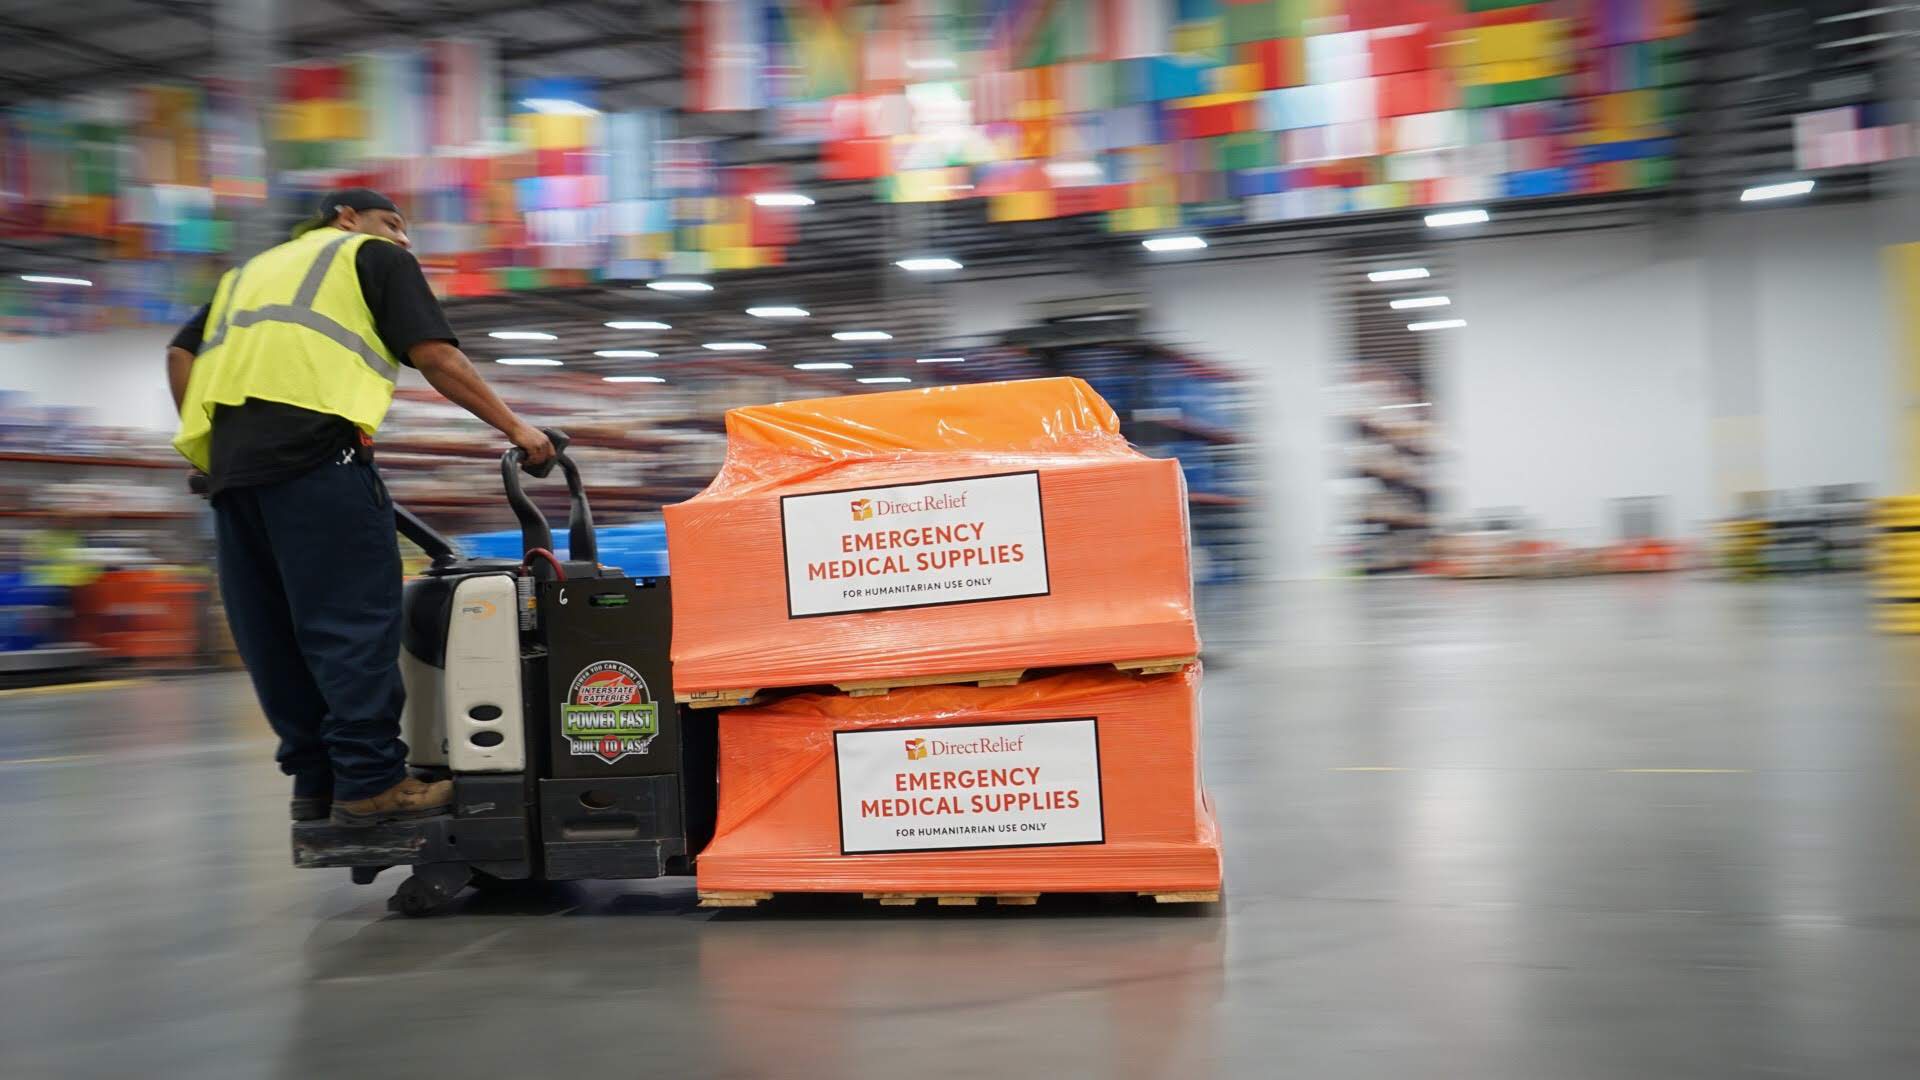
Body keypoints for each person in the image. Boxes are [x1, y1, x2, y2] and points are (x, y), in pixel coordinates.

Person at [167, 188, 553, 827]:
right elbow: (435, 355)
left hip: (234, 478)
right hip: (320, 460)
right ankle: (373, 783)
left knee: (273, 636)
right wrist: (519, 430)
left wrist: (207, 450)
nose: (403, 239)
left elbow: (180, 353)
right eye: (392, 223)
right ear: (346, 217)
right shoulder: (367, 257)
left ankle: (315, 784)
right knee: (351, 626)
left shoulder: (249, 274)